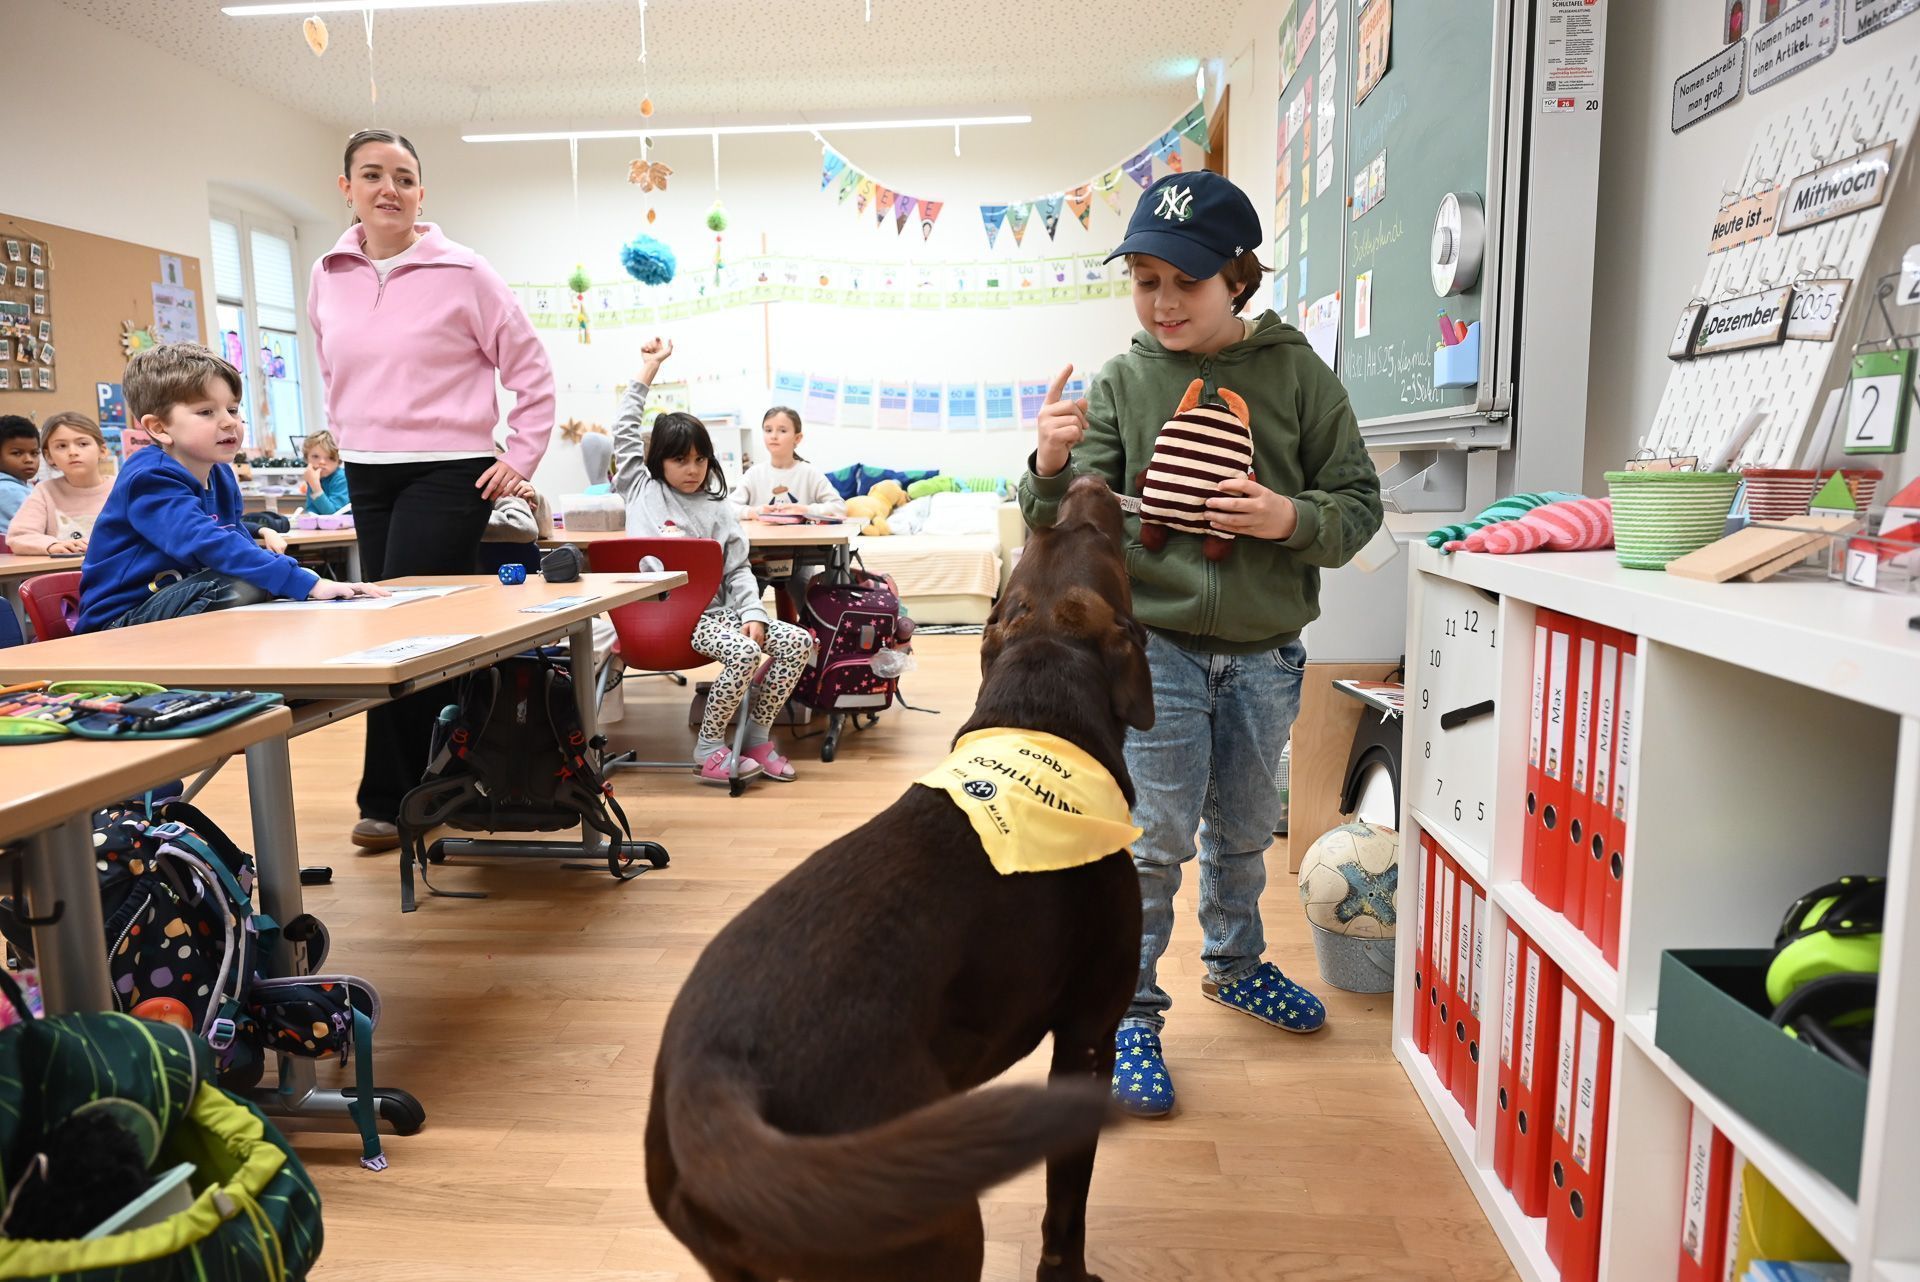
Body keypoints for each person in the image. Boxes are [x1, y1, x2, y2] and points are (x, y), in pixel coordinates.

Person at [1017, 170, 1384, 1118]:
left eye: (1183, 280)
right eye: (1144, 280)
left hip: (1267, 656)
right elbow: (1069, 524)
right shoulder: (1125, 384)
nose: (1162, 302)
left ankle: (1235, 962)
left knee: (1244, 827)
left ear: (1237, 277)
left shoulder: (1301, 376)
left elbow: (1356, 510)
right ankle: (1128, 1013)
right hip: (1159, 655)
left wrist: (1284, 517)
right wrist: (1050, 466)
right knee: (1152, 840)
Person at [308, 127, 556, 850]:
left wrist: (523, 454)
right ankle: (427, 780)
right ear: (346, 187)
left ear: (422, 192)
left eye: (405, 177)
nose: (390, 188)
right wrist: (344, 435)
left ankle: (396, 796)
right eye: (373, 174)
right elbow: (330, 364)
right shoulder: (328, 269)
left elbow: (531, 369)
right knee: (387, 622)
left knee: (402, 625)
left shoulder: (464, 271)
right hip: (366, 467)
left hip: (450, 467)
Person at [613, 338, 813, 785]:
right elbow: (624, 427)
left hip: (720, 616)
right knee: (744, 654)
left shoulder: (718, 507)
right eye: (680, 460)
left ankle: (758, 737)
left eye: (701, 459)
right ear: (657, 462)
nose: (693, 469)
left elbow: (738, 569)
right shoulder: (641, 489)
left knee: (797, 641)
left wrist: (754, 612)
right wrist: (649, 368)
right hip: (668, 617)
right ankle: (709, 748)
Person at [76, 344, 385, 632]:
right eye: (207, 412)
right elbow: (206, 541)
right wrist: (302, 582)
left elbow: (234, 535)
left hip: (181, 600)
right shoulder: (150, 477)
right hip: (121, 622)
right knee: (244, 581)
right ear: (160, 428)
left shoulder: (220, 472)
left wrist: (310, 581)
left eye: (233, 410)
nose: (229, 423)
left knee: (259, 577)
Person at [6, 412, 112, 555]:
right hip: (67, 573)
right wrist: (52, 545)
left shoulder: (123, 487)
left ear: (102, 450)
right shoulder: (45, 491)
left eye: (83, 444)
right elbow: (19, 536)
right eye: (61, 446)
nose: (73, 452)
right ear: (49, 456)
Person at [728, 407, 846, 519]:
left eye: (782, 430)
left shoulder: (810, 473)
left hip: (801, 539)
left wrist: (806, 510)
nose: (773, 436)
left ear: (797, 438)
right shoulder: (754, 474)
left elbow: (839, 507)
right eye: (768, 430)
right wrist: (753, 512)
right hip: (763, 539)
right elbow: (728, 507)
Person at [296, 429, 350, 514]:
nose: (322, 462)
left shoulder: (342, 478)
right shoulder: (314, 477)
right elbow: (311, 509)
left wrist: (316, 487)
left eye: (330, 457)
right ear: (307, 458)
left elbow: (333, 515)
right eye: (315, 456)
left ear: (338, 461)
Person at [0, 416, 39, 529]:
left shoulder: (19, 486)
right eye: (17, 453)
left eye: (34, 453)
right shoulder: (9, 491)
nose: (29, 459)